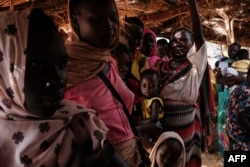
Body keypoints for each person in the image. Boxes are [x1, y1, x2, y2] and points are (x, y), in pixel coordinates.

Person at [0, 8, 127, 167]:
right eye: (38, 65)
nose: (57, 80)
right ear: (4, 69)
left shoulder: (80, 125)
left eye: (62, 65)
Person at [64, 0, 141, 166]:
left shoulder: (108, 62)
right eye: (96, 20)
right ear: (76, 21)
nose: (109, 26)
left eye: (113, 18)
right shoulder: (65, 71)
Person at [158, 0, 206, 166]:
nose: (178, 44)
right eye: (175, 41)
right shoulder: (161, 67)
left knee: (184, 159)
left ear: (192, 44)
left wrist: (191, 3)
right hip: (163, 127)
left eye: (183, 40)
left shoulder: (195, 66)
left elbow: (199, 36)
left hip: (186, 125)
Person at [226, 66, 250, 151]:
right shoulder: (247, 92)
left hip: (234, 133)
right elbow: (241, 118)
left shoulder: (241, 87)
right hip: (242, 138)